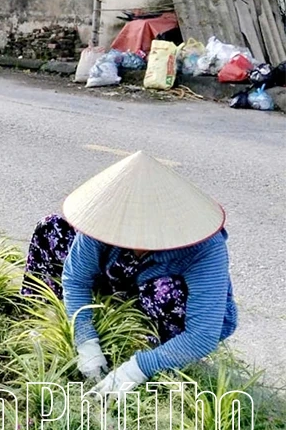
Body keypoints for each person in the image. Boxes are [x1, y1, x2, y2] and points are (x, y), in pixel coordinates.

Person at [23, 151, 237, 397]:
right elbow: (76, 278)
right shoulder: (105, 220)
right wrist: (86, 340)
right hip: (119, 281)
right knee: (50, 229)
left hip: (166, 304)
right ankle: (45, 319)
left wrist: (135, 369)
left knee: (164, 291)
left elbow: (202, 334)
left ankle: (163, 354)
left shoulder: (204, 247)